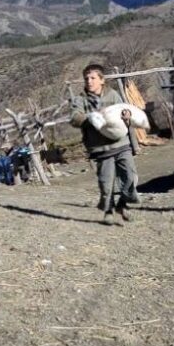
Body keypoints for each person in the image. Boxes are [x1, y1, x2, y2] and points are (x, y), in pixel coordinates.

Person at [70, 64, 139, 225]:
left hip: (121, 144)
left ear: (102, 80)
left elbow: (125, 112)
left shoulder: (113, 95)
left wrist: (127, 115)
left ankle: (122, 205)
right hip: (101, 149)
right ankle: (108, 210)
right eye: (86, 78)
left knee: (130, 177)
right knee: (106, 183)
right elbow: (74, 118)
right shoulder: (80, 100)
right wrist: (89, 118)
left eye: (93, 78)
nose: (89, 81)